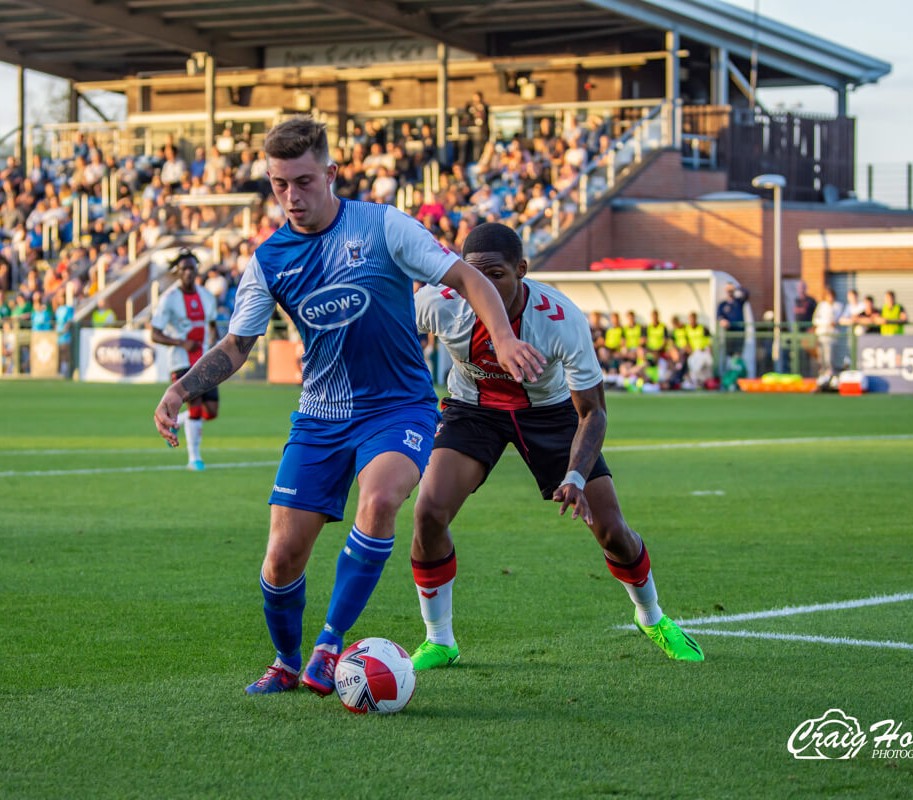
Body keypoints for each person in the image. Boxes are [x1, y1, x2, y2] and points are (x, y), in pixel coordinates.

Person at [151, 116, 544, 697]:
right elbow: (238, 343)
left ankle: (331, 645)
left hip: (398, 406)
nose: (291, 197)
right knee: (281, 557)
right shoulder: (269, 260)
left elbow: (465, 275)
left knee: (382, 497)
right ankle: (286, 663)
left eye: (304, 181)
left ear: (331, 173)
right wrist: (180, 387)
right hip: (320, 415)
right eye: (279, 184)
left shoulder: (383, 226)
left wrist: (505, 338)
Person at [409, 223, 702, 670]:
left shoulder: (561, 319)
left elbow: (594, 413)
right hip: (473, 410)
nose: (482, 286)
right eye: (474, 275)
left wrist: (576, 475)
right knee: (428, 512)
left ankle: (652, 617)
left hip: (548, 414)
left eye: (496, 274)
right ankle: (440, 640)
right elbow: (392, 343)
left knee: (612, 532)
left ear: (522, 270)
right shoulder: (438, 302)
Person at [150, 249, 220, 471]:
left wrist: (215, 340)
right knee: (197, 407)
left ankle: (176, 419)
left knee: (211, 411)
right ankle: (194, 459)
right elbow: (154, 333)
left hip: (205, 360)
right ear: (177, 273)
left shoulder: (207, 296)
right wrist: (181, 343)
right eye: (184, 269)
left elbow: (211, 325)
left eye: (192, 268)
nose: (189, 272)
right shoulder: (168, 299)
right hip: (181, 361)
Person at [716, 283, 746, 359]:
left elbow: (746, 293)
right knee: (729, 354)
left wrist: (737, 287)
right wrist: (722, 321)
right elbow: (719, 316)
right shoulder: (723, 304)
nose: (730, 291)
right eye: (728, 290)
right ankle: (730, 369)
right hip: (729, 333)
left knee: (738, 354)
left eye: (731, 290)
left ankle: (737, 368)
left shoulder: (738, 301)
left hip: (739, 332)